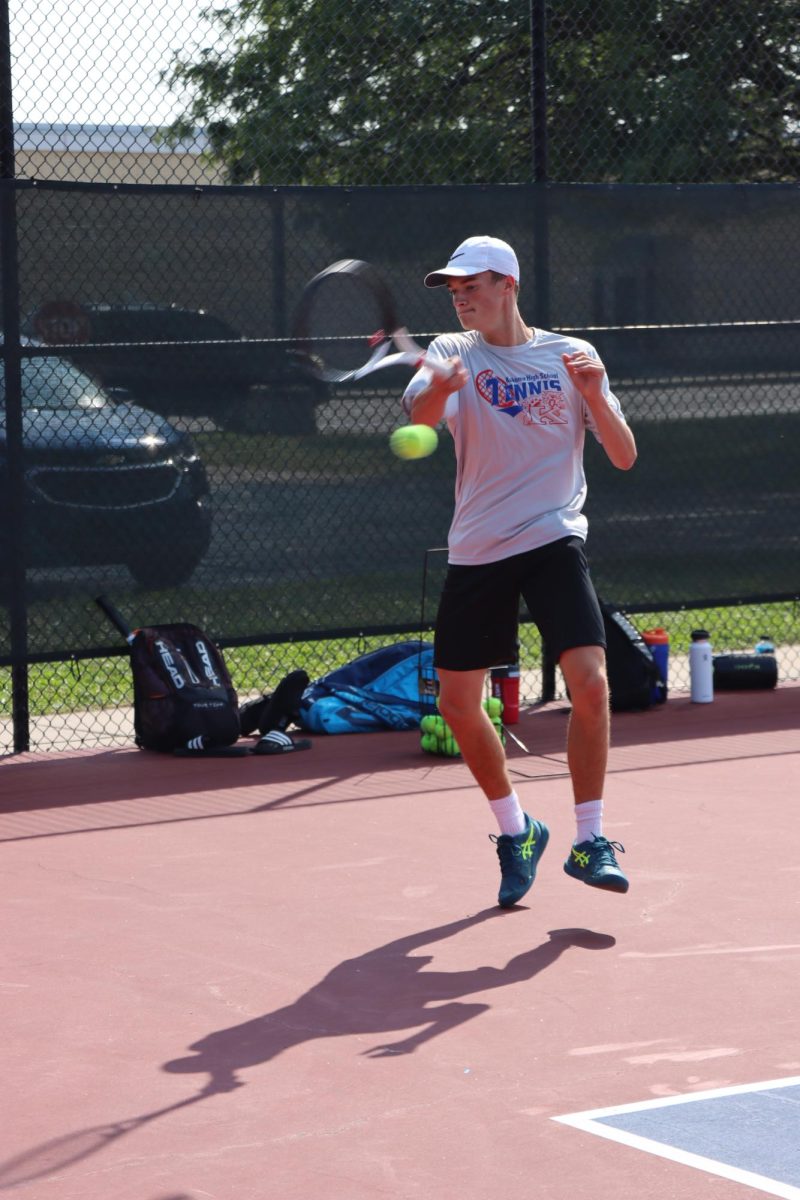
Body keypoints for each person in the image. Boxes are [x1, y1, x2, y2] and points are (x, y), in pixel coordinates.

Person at [402, 235, 638, 908]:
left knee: (591, 686)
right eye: (452, 289)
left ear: (508, 284)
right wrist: (438, 392)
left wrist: (593, 393)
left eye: (471, 285)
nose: (460, 297)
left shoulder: (572, 355)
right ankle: (517, 829)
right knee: (456, 704)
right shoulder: (450, 354)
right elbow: (418, 415)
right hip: (479, 547)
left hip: (552, 536)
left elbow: (622, 456)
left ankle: (590, 839)